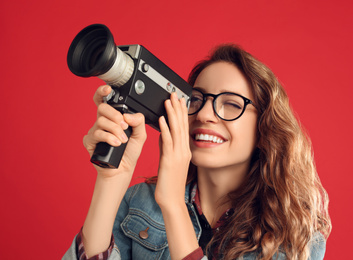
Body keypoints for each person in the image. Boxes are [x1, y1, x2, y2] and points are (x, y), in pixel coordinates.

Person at [63, 44, 331, 260]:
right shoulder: (139, 202)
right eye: (197, 100)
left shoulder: (297, 234)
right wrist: (111, 181)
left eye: (230, 104)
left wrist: (174, 207)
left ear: (264, 129)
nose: (203, 114)